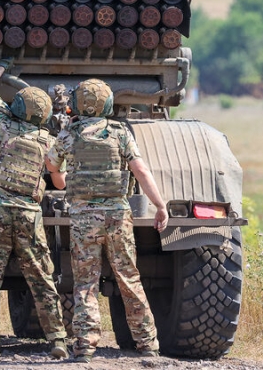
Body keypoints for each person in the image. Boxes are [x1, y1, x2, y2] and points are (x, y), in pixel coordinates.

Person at [44, 78, 169, 363]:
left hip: (84, 220)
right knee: (129, 279)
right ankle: (147, 343)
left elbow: (52, 166)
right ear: (108, 104)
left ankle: (85, 347)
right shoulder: (119, 133)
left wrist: (59, 176)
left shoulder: (69, 135)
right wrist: (160, 206)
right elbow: (141, 170)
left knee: (85, 283)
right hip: (117, 218)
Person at [0, 58, 68, 361]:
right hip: (29, 213)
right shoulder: (48, 142)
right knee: (41, 276)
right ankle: (57, 340)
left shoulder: (0, 125)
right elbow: (61, 182)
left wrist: (2, 67)